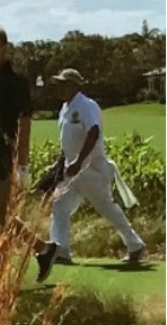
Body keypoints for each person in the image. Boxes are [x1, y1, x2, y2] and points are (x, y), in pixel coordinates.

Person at [0, 26, 58, 282]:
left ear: (4, 49)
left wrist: (22, 163)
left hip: (6, 156)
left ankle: (32, 252)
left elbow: (24, 122)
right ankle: (40, 249)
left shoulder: (15, 82)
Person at [47, 68, 146, 264]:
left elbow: (93, 132)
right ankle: (60, 250)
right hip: (72, 171)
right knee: (59, 206)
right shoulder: (64, 109)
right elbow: (67, 140)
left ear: (74, 85)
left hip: (91, 169)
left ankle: (135, 245)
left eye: (63, 83)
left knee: (106, 208)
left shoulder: (86, 105)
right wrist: (61, 162)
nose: (59, 87)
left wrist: (79, 161)